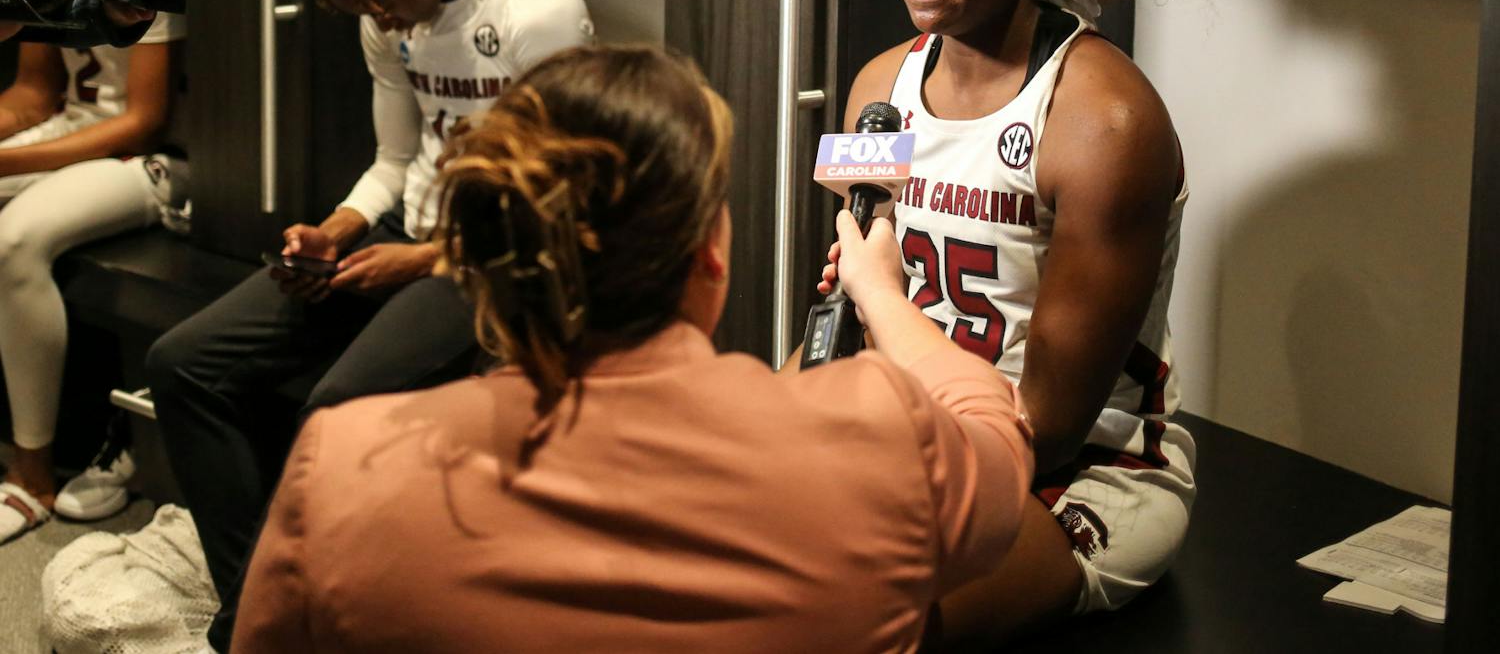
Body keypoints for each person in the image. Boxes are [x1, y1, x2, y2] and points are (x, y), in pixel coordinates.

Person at [233, 44, 1035, 652]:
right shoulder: (880, 436)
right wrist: (885, 297)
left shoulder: (341, 462)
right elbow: (995, 438)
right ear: (709, 257)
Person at [145, 0, 594, 651]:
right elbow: (394, 159)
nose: (381, 23)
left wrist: (420, 262)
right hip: (404, 226)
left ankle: (257, 630)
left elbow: (557, 201)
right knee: (184, 362)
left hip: (495, 255)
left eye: (383, 1)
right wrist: (336, 228)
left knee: (334, 406)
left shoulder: (537, 8)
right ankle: (263, 598)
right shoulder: (388, 18)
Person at [837, 0, 1197, 642]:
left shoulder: (1104, 120)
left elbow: (1052, 423)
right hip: (906, 431)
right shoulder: (877, 87)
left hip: (1073, 471)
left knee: (857, 618)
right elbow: (847, 298)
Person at [0, 0, 189, 545]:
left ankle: (32, 472)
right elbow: (33, 94)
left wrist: (7, 164)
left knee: (13, 238)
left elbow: (140, 122)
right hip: (69, 133)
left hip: (144, 160)